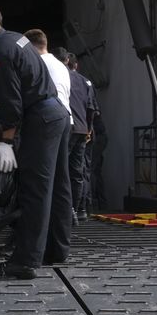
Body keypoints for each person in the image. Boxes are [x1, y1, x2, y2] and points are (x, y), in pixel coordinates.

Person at [0, 2, 70, 279]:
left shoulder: (0, 49)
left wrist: (6, 141)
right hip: (55, 113)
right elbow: (4, 82)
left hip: (41, 119)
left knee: (34, 190)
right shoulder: (18, 40)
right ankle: (56, 250)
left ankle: (25, 261)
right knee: (58, 186)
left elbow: (11, 100)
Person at [24, 29, 75, 259]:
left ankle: (37, 249)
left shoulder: (38, 63)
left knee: (40, 187)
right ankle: (60, 247)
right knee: (61, 186)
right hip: (65, 121)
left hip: (47, 124)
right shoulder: (60, 65)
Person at [58, 49, 100, 217]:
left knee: (60, 170)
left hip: (67, 128)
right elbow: (92, 108)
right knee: (78, 171)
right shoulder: (85, 82)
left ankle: (64, 210)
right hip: (83, 130)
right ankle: (77, 210)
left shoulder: (59, 77)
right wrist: (89, 129)